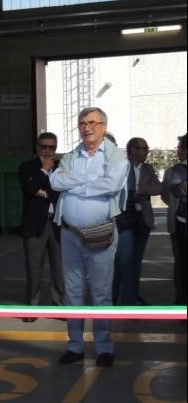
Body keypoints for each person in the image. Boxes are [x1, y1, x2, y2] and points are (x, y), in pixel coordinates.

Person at [50, 107, 128, 368]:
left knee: (101, 293)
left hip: (100, 235)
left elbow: (112, 185)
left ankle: (104, 348)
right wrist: (91, 180)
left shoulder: (117, 157)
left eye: (93, 122)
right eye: (83, 123)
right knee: (73, 293)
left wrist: (76, 182)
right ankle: (75, 346)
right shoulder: (73, 155)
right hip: (70, 234)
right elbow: (55, 182)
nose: (87, 127)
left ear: (104, 127)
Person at [18, 132, 64, 319]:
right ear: (37, 147)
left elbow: (63, 192)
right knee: (34, 268)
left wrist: (44, 193)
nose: (47, 150)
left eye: (51, 147)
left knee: (59, 268)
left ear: (55, 148)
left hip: (58, 223)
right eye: (43, 146)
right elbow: (28, 189)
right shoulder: (27, 166)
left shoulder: (62, 167)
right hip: (35, 224)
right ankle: (32, 308)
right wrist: (44, 171)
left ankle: (61, 307)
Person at [112, 137, 162, 305]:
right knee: (121, 261)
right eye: (143, 148)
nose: (146, 151)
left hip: (142, 219)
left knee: (136, 260)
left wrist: (140, 191)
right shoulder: (122, 168)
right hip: (125, 220)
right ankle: (114, 298)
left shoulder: (147, 169)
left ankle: (131, 297)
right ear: (132, 150)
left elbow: (158, 187)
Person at [161, 134, 187, 305]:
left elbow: (165, 196)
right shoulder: (174, 171)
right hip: (179, 222)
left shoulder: (173, 171)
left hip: (179, 222)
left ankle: (181, 300)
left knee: (181, 264)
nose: (178, 152)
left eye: (179, 148)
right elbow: (166, 195)